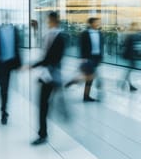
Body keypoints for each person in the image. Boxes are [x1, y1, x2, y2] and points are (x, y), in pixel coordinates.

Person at [30, 12, 66, 145]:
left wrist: (33, 65)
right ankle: (43, 132)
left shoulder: (60, 38)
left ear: (54, 21)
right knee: (44, 104)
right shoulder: (49, 35)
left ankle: (43, 133)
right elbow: (46, 56)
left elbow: (51, 58)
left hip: (52, 75)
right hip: (47, 75)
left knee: (44, 104)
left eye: (49, 21)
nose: (47, 23)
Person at [65, 17, 103, 102]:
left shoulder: (99, 33)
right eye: (96, 22)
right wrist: (83, 58)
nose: (98, 24)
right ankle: (83, 93)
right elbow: (82, 46)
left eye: (98, 22)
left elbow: (101, 46)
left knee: (90, 76)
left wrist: (100, 58)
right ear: (91, 23)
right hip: (88, 57)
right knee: (90, 76)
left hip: (96, 58)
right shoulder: (85, 33)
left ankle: (78, 86)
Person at [121, 22, 140, 91]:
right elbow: (127, 45)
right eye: (136, 25)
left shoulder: (132, 34)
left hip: (130, 54)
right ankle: (126, 84)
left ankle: (124, 84)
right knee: (129, 69)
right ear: (133, 26)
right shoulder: (130, 34)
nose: (137, 27)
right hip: (129, 55)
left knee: (129, 69)